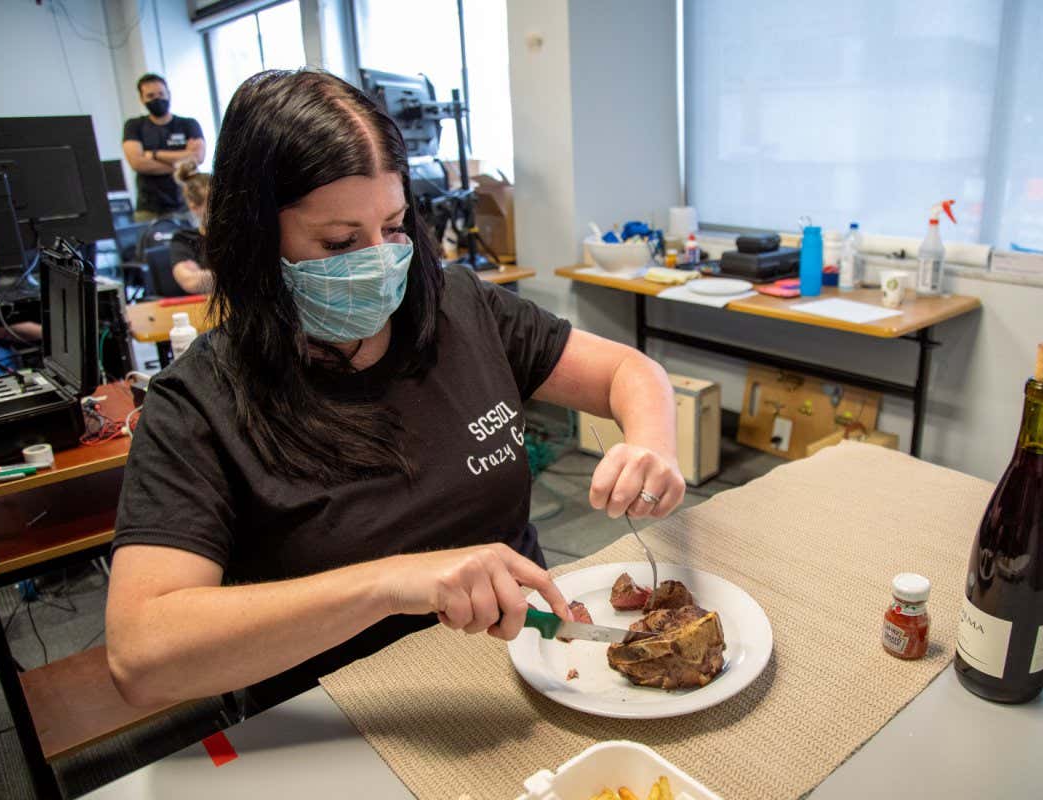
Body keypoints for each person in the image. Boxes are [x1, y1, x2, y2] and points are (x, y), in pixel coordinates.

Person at [104, 70, 686, 712]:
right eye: (340, 242)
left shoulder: (460, 308)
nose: (379, 259)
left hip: (532, 665)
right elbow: (140, 658)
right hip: (351, 713)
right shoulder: (197, 404)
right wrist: (391, 583)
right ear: (255, 241)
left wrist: (653, 445)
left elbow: (628, 373)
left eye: (393, 224)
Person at [121, 74, 206, 222]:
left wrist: (153, 154)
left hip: (185, 205)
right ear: (142, 99)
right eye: (151, 96)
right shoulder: (134, 126)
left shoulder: (188, 125)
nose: (157, 99)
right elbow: (137, 163)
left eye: (161, 94)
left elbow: (197, 158)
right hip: (149, 209)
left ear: (169, 94)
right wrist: (182, 163)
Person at [169, 160, 212, 294]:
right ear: (194, 207)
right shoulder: (183, 240)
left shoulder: (240, 235)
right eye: (214, 204)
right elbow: (191, 282)